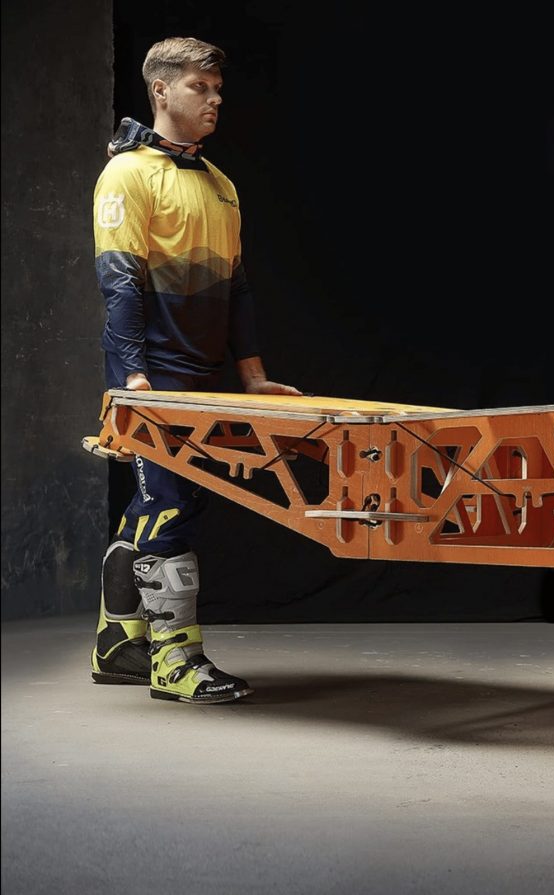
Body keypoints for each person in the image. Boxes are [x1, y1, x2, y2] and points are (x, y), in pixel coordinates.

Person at [90, 36, 302, 704]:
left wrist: (253, 375)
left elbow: (237, 288)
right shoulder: (127, 175)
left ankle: (118, 642)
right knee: (170, 506)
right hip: (154, 374)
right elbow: (119, 283)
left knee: (163, 503)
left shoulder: (221, 185)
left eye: (217, 90)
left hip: (205, 374)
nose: (214, 101)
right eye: (198, 88)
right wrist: (133, 378)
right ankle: (175, 663)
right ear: (160, 90)